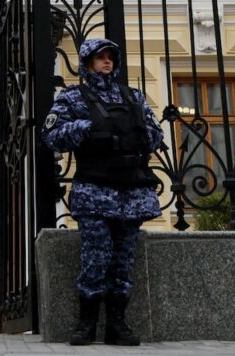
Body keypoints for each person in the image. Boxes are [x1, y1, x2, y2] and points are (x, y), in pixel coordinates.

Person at [42, 38, 164, 347]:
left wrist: (140, 134)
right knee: (96, 258)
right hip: (94, 192)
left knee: (123, 262)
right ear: (87, 63)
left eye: (110, 57)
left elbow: (155, 134)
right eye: (100, 57)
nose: (106, 62)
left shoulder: (133, 96)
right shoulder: (73, 98)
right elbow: (51, 135)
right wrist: (87, 128)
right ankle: (87, 324)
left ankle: (117, 325)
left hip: (132, 193)